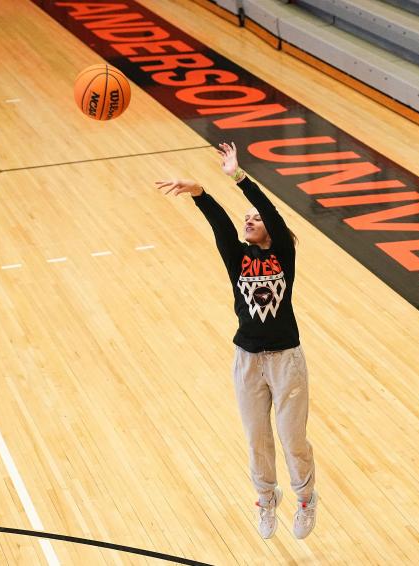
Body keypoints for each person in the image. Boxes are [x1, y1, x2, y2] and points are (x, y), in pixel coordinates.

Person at [155, 142, 317, 540]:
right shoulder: (237, 257)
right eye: (246, 217)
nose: (248, 220)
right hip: (247, 359)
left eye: (254, 218)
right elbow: (220, 225)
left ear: (269, 229)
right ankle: (266, 499)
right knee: (256, 438)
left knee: (292, 437)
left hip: (285, 360)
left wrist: (239, 178)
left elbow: (274, 214)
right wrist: (200, 193)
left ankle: (305, 498)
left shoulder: (282, 255)